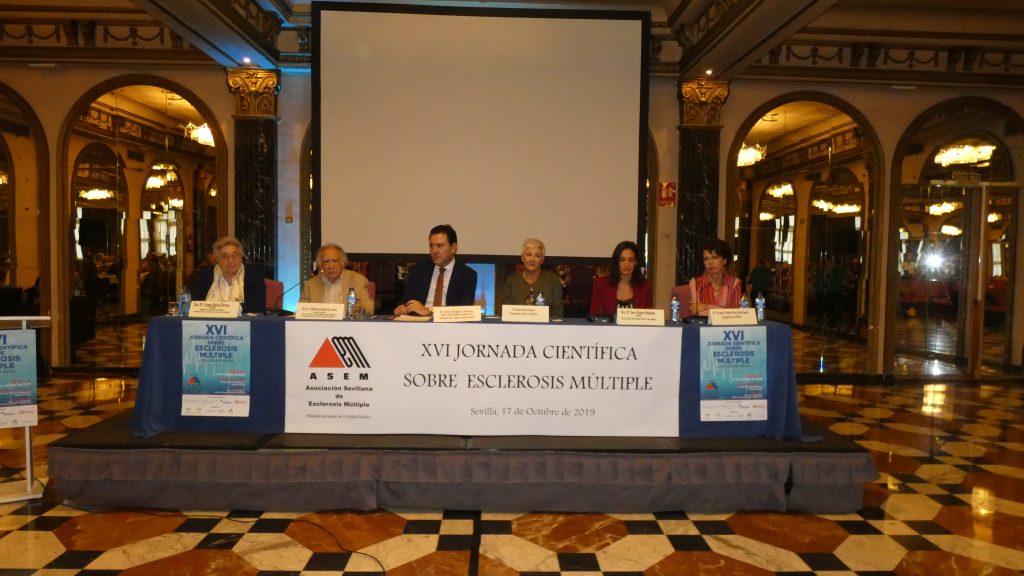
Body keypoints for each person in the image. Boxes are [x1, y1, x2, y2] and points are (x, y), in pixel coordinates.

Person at [394, 224, 478, 316]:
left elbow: (463, 312)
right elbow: (406, 301)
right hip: (419, 323)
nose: (434, 251)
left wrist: (428, 312)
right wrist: (401, 307)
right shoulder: (418, 270)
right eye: (432, 246)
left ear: (453, 248)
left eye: (440, 246)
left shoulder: (467, 275)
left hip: (449, 324)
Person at [191, 235, 266, 314]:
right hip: (209, 320)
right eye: (225, 257)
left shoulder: (254, 274)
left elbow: (258, 305)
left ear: (241, 257)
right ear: (217, 259)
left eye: (234, 255)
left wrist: (227, 309)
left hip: (243, 321)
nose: (230, 261)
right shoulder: (206, 275)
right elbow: (194, 304)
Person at [299, 243, 374, 314]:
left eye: (335, 261)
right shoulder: (311, 284)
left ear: (342, 263)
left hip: (347, 322)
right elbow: (301, 310)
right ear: (321, 265)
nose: (331, 266)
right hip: (320, 323)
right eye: (326, 261)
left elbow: (369, 307)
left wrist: (361, 308)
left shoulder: (356, 280)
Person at [502, 238, 564, 319]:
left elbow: (558, 313)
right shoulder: (511, 280)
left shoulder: (553, 280)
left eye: (537, 256)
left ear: (542, 260)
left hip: (547, 326)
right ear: (522, 258)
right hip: (517, 326)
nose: (532, 259)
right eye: (528, 255)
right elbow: (506, 311)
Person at [588, 240, 652, 315]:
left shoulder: (645, 286)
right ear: (616, 262)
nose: (627, 264)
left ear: (636, 262)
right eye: (622, 260)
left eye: (631, 260)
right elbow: (594, 316)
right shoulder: (601, 284)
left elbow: (649, 317)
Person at [689, 238, 742, 316]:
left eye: (714, 257)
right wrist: (726, 311)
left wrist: (707, 307)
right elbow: (695, 311)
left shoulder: (735, 283)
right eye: (706, 259)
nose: (710, 262)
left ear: (724, 261)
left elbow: (738, 314)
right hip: (704, 324)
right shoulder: (696, 283)